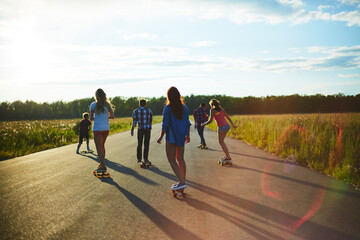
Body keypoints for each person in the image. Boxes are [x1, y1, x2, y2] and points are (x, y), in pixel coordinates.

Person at [157, 87, 191, 191]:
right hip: (181, 136)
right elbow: (187, 123)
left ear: (169, 97)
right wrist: (188, 135)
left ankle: (182, 182)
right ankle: (182, 182)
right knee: (180, 159)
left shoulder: (168, 108)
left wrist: (161, 137)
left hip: (171, 137)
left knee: (171, 160)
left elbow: (165, 125)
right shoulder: (184, 108)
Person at [89, 88, 114, 171]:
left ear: (96, 96)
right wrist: (105, 117)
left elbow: (91, 118)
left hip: (97, 128)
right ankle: (102, 164)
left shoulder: (93, 104)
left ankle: (103, 166)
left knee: (98, 147)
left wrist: (96, 117)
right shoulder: (107, 104)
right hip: (106, 128)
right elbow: (112, 116)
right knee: (102, 146)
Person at [131, 98, 153, 165]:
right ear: (145, 104)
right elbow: (150, 120)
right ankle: (146, 159)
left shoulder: (136, 111)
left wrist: (132, 129)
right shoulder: (149, 111)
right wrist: (149, 127)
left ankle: (139, 160)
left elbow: (134, 121)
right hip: (147, 129)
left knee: (139, 144)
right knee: (146, 144)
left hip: (140, 129)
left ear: (139, 104)